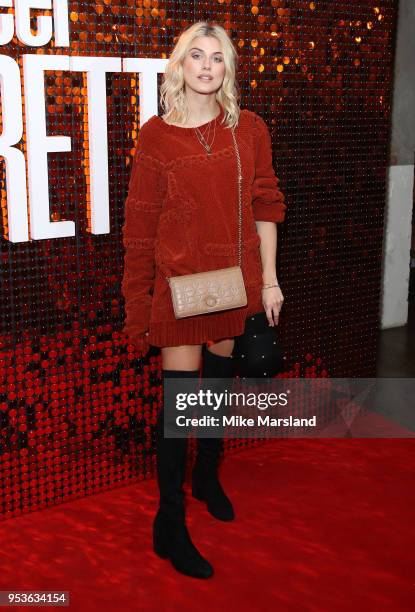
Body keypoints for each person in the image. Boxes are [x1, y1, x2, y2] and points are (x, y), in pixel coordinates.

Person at [121, 21, 287, 579]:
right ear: (180, 66)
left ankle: (208, 475)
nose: (207, 65)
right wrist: (136, 306)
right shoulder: (156, 136)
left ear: (228, 69)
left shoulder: (250, 129)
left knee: (215, 392)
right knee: (177, 411)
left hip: (232, 285)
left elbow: (266, 206)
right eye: (197, 55)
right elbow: (140, 230)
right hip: (177, 291)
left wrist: (269, 281)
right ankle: (169, 521)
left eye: (218, 57)